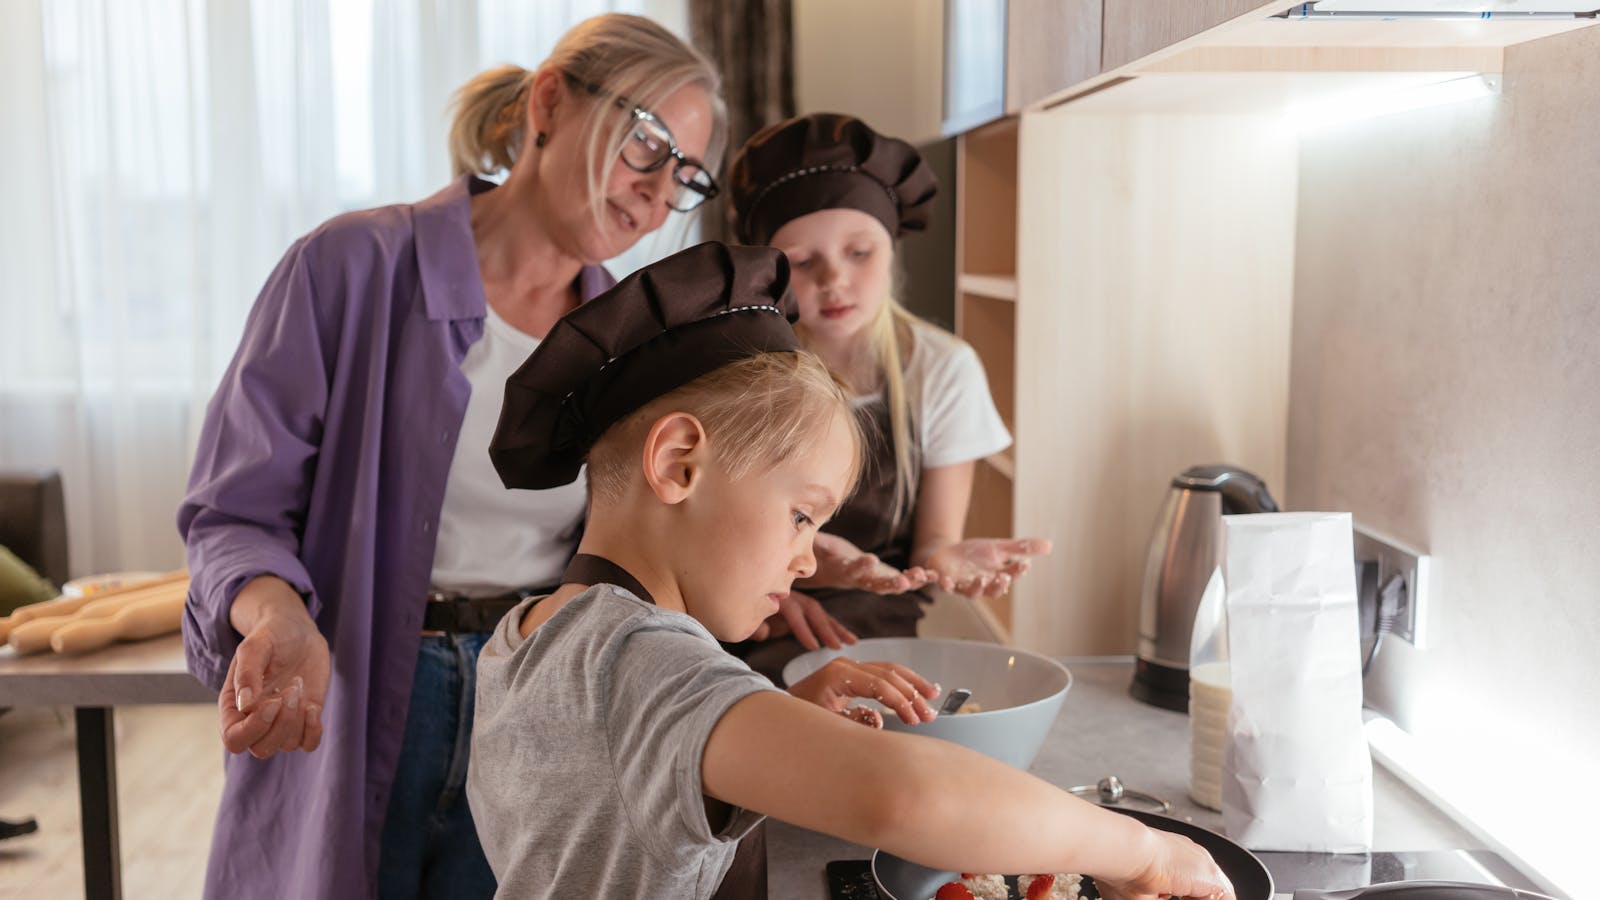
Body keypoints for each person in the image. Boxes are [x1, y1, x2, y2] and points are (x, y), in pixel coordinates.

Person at [467, 240, 1234, 900]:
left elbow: (623, 786)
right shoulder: (645, 659)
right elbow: (907, 795)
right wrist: (1144, 848)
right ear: (678, 463)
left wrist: (779, 709)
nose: (806, 560)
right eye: (802, 515)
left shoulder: (530, 635)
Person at [176, 14, 726, 899]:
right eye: (646, 145)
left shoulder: (632, 339)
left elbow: (657, 526)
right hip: (354, 687)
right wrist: (277, 618)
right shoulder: (350, 267)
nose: (658, 194)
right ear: (550, 100)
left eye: (685, 175)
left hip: (539, 695)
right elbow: (233, 511)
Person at [725, 113, 1051, 680]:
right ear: (772, 269)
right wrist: (762, 600)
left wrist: (945, 559)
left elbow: (932, 546)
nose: (834, 280)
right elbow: (714, 537)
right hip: (742, 611)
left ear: (893, 249)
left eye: (859, 252)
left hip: (872, 623)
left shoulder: (943, 371)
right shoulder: (740, 372)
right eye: (803, 262)